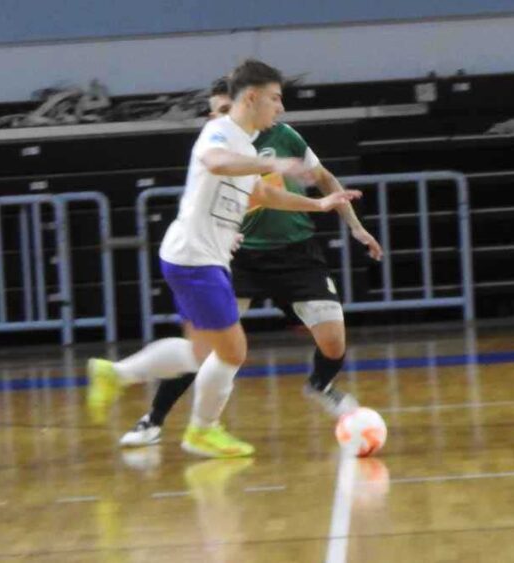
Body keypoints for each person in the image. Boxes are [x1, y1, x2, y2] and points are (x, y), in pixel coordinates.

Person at [86, 59, 362, 457]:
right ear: (251, 97)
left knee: (206, 351)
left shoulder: (244, 143)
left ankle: (121, 378)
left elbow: (263, 195)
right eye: (275, 99)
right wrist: (272, 162)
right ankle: (194, 425)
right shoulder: (218, 133)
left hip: (197, 258)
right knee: (229, 351)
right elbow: (215, 163)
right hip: (196, 259)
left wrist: (320, 206)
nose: (280, 108)